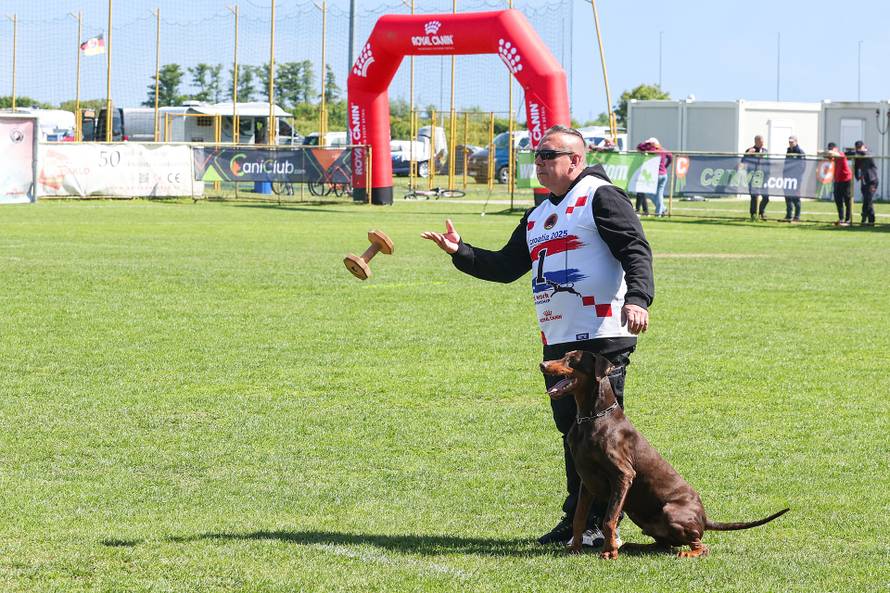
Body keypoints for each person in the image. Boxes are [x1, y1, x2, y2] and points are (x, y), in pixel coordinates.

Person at [421, 125, 654, 548]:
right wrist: (462, 251)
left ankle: (600, 524)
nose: (540, 161)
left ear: (576, 160)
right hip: (560, 339)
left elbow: (635, 249)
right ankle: (579, 519)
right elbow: (508, 266)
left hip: (601, 334)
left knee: (598, 432)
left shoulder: (599, 196)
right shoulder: (538, 214)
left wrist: (638, 298)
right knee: (572, 430)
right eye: (537, 154)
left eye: (549, 154)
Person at [636, 137, 672, 217]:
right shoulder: (662, 150)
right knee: (658, 194)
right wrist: (666, 166)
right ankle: (662, 209)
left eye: (649, 143)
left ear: (653, 144)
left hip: (657, 175)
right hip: (664, 174)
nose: (647, 145)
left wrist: (645, 144)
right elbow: (670, 157)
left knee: (650, 193)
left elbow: (639, 147)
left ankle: (659, 212)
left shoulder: (652, 151)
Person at [826, 142, 853, 226]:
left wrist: (830, 152)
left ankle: (848, 219)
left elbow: (833, 154)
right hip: (837, 180)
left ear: (836, 149)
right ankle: (841, 219)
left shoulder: (841, 154)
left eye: (832, 149)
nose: (830, 151)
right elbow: (825, 154)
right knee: (838, 200)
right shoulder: (833, 157)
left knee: (847, 200)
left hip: (846, 179)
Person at [853, 140, 878, 226]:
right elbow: (855, 167)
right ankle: (866, 219)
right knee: (866, 200)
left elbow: (866, 154)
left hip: (872, 180)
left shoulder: (868, 153)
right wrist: (857, 176)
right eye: (857, 148)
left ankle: (869, 220)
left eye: (860, 148)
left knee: (868, 199)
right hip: (864, 181)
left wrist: (859, 152)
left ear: (864, 146)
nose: (858, 150)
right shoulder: (858, 155)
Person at [781, 136, 805, 223]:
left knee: (796, 197)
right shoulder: (788, 151)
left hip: (796, 179)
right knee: (788, 197)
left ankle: (797, 216)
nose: (790, 143)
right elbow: (786, 165)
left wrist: (797, 177)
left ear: (796, 142)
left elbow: (802, 167)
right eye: (789, 142)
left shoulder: (800, 152)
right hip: (787, 178)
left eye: (792, 142)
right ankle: (788, 215)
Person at [744, 135, 768, 221]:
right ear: (756, 142)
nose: (762, 143)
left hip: (763, 176)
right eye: (761, 141)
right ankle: (753, 214)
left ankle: (762, 212)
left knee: (766, 197)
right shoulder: (750, 150)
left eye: (763, 141)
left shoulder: (765, 151)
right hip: (752, 176)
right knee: (754, 196)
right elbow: (743, 161)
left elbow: (768, 162)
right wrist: (748, 154)